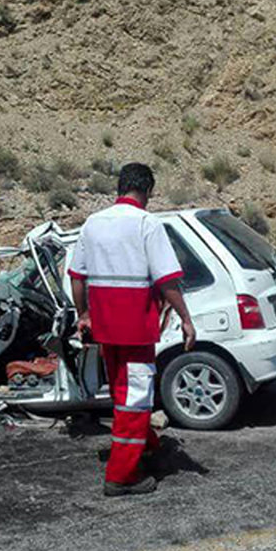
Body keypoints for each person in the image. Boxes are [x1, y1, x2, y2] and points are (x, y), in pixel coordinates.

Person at [68, 162, 196, 497]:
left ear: (120, 187)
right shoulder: (146, 224)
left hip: (106, 331)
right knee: (136, 399)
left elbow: (76, 277)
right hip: (137, 331)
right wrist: (186, 318)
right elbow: (167, 280)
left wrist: (83, 313)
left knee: (123, 395)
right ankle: (122, 476)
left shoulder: (93, 224)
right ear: (148, 191)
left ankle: (147, 445)